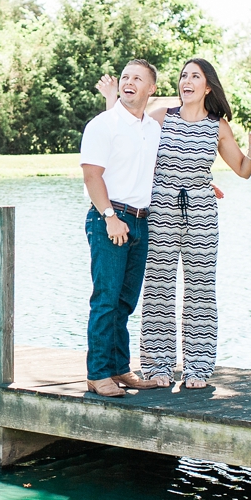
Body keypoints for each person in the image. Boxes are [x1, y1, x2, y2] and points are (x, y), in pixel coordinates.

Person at [97, 58, 251, 389]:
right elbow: (124, 131)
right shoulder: (162, 118)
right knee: (159, 288)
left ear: (208, 87)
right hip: (160, 210)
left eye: (195, 76)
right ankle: (157, 367)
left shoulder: (218, 126)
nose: (186, 81)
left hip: (202, 213)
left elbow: (243, 170)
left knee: (201, 290)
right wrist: (110, 98)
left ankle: (198, 368)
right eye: (183, 76)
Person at [79, 59, 162, 397]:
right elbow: (91, 175)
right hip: (109, 220)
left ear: (151, 88)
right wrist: (111, 216)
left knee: (125, 302)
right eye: (125, 77)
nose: (129, 82)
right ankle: (97, 374)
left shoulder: (151, 128)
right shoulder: (103, 124)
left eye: (137, 78)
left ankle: (119, 368)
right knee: (106, 299)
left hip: (141, 221)